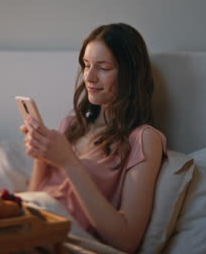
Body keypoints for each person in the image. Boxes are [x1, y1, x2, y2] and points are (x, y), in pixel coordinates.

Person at [19, 23, 167, 253]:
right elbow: (35, 195)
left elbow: (126, 239)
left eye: (104, 67)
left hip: (65, 241)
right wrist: (41, 155)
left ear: (130, 73)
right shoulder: (71, 125)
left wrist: (68, 162)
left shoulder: (143, 139)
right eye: (86, 65)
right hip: (32, 226)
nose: (89, 77)